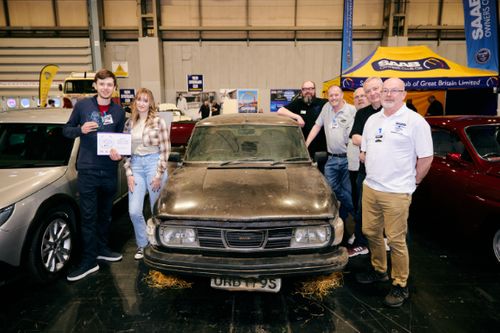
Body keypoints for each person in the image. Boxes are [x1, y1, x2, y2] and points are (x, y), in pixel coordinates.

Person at [356, 77, 433, 308]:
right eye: (385, 90)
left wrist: (414, 182)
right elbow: (366, 151)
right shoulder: (371, 120)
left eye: (394, 91)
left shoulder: (415, 122)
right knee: (370, 231)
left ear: (404, 94)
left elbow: (426, 158)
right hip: (371, 187)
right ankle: (379, 269)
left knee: (396, 240)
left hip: (397, 192)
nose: (388, 95)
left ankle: (400, 284)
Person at [63, 69, 126, 282]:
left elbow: (120, 141)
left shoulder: (119, 112)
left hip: (109, 171)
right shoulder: (82, 106)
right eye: (102, 84)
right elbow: (66, 130)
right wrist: (80, 129)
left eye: (110, 84)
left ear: (114, 87)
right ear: (95, 85)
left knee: (105, 215)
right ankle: (89, 261)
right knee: (88, 217)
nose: (106, 88)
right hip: (88, 171)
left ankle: (101, 249)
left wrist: (120, 155)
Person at [123, 88, 170, 260]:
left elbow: (165, 150)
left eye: (145, 100)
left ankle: (158, 244)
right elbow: (125, 151)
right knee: (134, 211)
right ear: (135, 102)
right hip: (135, 166)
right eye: (139, 100)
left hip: (153, 164)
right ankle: (143, 245)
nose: (142, 103)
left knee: (155, 210)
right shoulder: (129, 124)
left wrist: (158, 174)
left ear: (151, 103)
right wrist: (129, 173)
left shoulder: (158, 122)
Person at [305, 86, 356, 223]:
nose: (333, 98)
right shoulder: (327, 107)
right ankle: (356, 212)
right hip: (332, 158)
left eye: (336, 95)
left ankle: (352, 219)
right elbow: (317, 126)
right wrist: (306, 143)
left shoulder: (351, 110)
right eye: (331, 95)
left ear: (342, 95)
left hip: (347, 158)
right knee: (331, 188)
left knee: (348, 191)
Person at [347, 77, 384, 257]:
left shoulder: (392, 111)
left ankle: (388, 242)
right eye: (368, 91)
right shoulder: (363, 114)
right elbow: (355, 138)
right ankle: (362, 243)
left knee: (392, 214)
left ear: (383, 88)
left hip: (390, 175)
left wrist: (368, 148)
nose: (372, 94)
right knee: (362, 209)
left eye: (375, 89)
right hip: (366, 172)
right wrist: (370, 147)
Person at [277, 81, 328, 160]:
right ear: (302, 91)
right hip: (301, 148)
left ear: (315, 90)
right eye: (305, 89)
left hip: (320, 148)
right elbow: (280, 111)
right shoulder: (297, 103)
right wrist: (297, 117)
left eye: (311, 89)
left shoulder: (323, 103)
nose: (308, 91)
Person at [348, 87, 370, 214]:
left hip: (367, 167)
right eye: (356, 97)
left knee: (366, 203)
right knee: (356, 198)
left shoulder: (376, 116)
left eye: (363, 96)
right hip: (353, 166)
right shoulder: (353, 114)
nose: (360, 99)